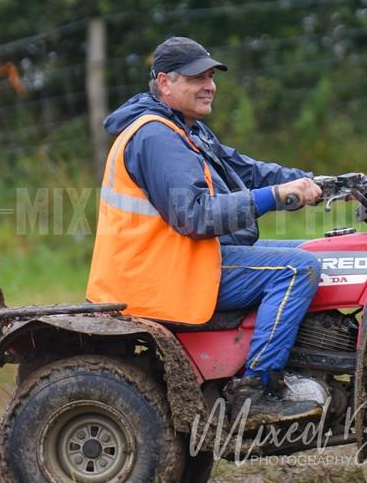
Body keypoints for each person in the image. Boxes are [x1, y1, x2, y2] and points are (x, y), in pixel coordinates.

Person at [86, 36, 324, 424]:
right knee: (298, 268)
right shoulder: (156, 136)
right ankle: (257, 391)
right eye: (198, 77)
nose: (209, 85)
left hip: (186, 260)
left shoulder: (186, 129)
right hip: (161, 273)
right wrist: (278, 196)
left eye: (211, 76)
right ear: (165, 83)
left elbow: (245, 171)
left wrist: (317, 181)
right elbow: (196, 216)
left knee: (323, 250)